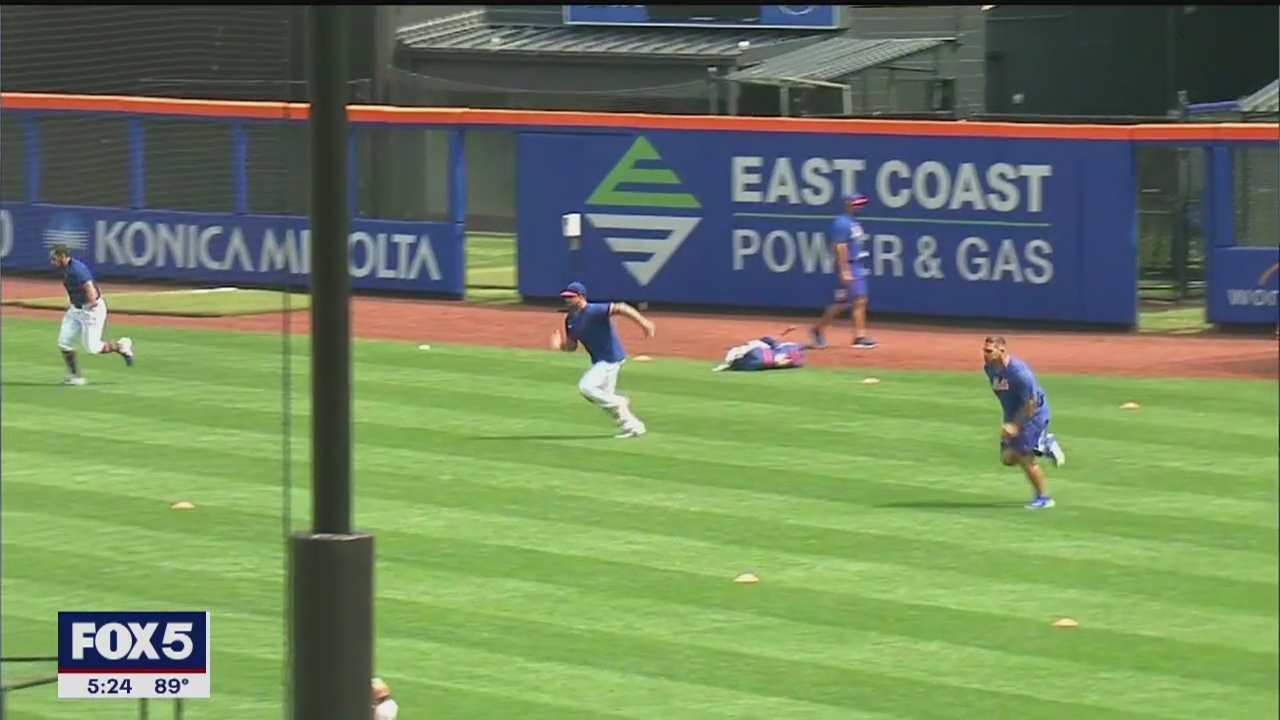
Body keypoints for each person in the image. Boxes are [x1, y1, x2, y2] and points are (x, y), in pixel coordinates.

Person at [552, 281, 654, 438]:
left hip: (610, 358)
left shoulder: (594, 310)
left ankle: (620, 401)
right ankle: (634, 426)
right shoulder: (570, 319)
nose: (567, 300)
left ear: (580, 297)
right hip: (599, 361)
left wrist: (644, 322)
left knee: (587, 387)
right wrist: (560, 345)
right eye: (566, 297)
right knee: (605, 401)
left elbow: (620, 307)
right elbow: (572, 345)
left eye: (571, 297)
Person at [982, 336, 1065, 509]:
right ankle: (1046, 444)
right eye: (985, 350)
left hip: (1033, 414)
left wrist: (1016, 426)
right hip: (1013, 415)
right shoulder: (989, 369)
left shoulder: (1019, 373)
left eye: (990, 351)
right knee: (1008, 458)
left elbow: (1031, 402)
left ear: (1002, 350)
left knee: (1024, 456)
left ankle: (1043, 498)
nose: (985, 354)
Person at [49, 244, 134, 385]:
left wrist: (89, 305)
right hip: (75, 310)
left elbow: (90, 289)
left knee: (92, 347)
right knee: (64, 342)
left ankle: (120, 346)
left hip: (90, 311)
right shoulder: (66, 268)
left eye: (54, 258)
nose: (52, 261)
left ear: (63, 256)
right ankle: (76, 377)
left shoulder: (77, 270)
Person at [811, 193, 877, 350]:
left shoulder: (853, 222)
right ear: (848, 204)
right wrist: (845, 270)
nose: (860, 206)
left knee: (858, 300)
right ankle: (818, 329)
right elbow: (840, 247)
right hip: (849, 265)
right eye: (856, 204)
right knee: (843, 303)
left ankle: (859, 336)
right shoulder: (841, 223)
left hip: (857, 265)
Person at [713, 333, 808, 372]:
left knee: (739, 360)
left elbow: (733, 355)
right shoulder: (784, 348)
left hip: (759, 359)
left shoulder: (756, 345)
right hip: (766, 358)